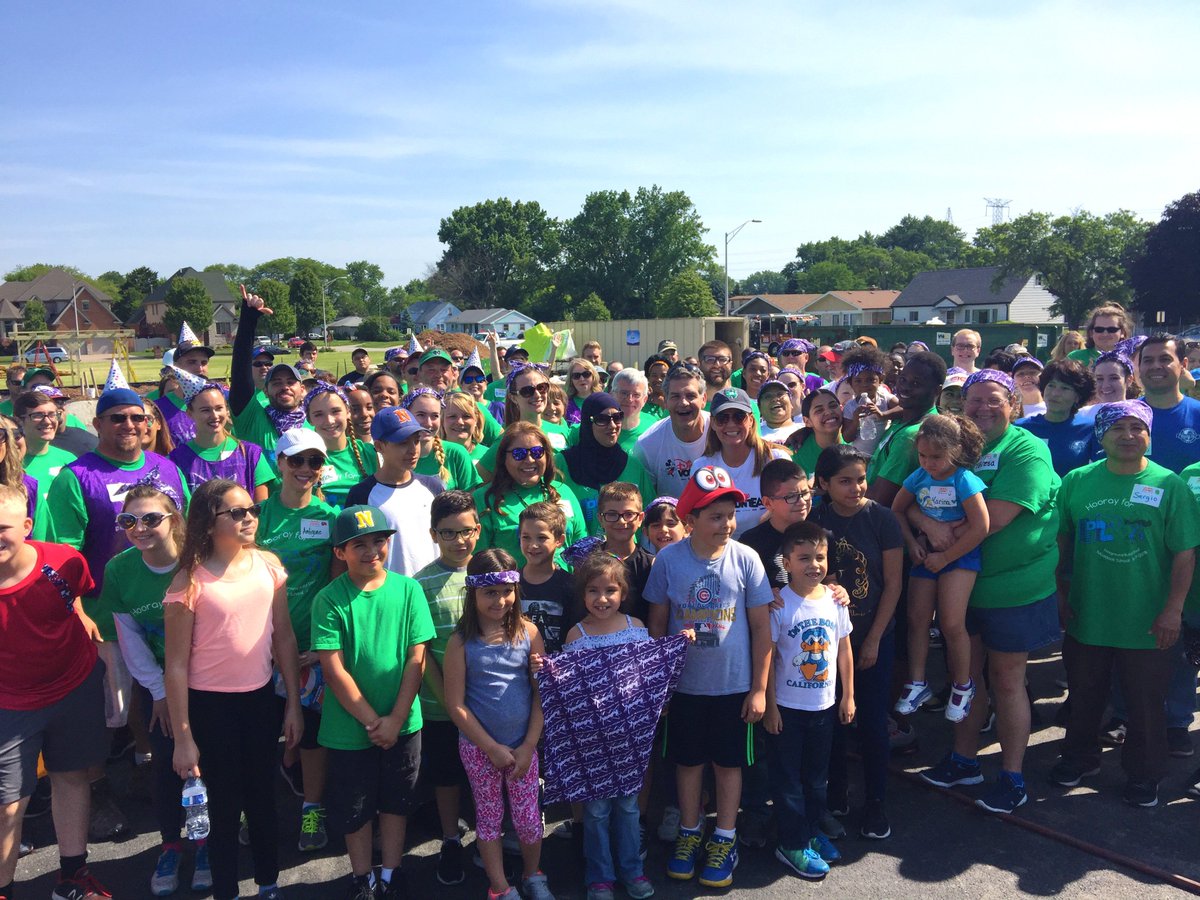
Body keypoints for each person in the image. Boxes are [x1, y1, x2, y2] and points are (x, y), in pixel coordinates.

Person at [913, 370, 1061, 814]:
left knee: (1006, 680)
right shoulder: (957, 445)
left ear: (1013, 403)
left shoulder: (1026, 449)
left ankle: (1012, 777)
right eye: (973, 400)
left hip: (1011, 587)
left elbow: (995, 519)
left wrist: (938, 530)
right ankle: (964, 760)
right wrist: (925, 522)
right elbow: (914, 495)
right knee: (966, 675)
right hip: (961, 587)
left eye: (993, 399)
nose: (981, 407)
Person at [47, 381, 189, 840]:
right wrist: (80, 613)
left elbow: (186, 534)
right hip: (106, 613)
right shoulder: (76, 476)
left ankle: (157, 769)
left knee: (166, 697)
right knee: (109, 711)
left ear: (148, 423)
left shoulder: (166, 466)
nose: (129, 425)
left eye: (136, 417)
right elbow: (64, 555)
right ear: (97, 424)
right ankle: (99, 789)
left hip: (172, 608)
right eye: (117, 418)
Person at [1051, 402, 1199, 807]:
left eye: (1138, 428)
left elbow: (1186, 552)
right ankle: (1080, 759)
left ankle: (1144, 774)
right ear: (1101, 436)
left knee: (1146, 703)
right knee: (1084, 695)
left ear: (1149, 436)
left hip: (1148, 620)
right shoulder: (1078, 481)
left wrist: (1172, 609)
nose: (1129, 435)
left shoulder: (1169, 485)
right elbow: (1062, 542)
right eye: (1118, 428)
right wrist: (1062, 593)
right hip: (1089, 613)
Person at [163, 479, 303, 900]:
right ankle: (226, 890)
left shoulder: (268, 564)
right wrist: (183, 737)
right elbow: (175, 665)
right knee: (222, 807)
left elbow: (285, 638)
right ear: (208, 522)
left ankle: (268, 884)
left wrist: (293, 703)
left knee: (263, 799)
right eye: (238, 512)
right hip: (210, 708)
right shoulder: (187, 582)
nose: (249, 519)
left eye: (252, 511)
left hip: (260, 701)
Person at [644, 465, 772, 890]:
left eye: (730, 515)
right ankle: (689, 831)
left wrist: (758, 689)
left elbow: (760, 629)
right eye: (715, 516)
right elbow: (658, 627)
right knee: (687, 761)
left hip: (734, 687)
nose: (727, 524)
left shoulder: (747, 558)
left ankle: (724, 837)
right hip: (683, 687)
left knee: (728, 764)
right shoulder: (668, 560)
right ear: (690, 520)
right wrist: (658, 686)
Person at [309, 503, 434, 899]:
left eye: (378, 541)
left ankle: (392, 874)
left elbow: (418, 657)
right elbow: (334, 670)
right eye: (357, 544)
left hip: (403, 723)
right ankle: (362, 877)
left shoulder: (409, 588)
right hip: (349, 729)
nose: (371, 551)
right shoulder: (328, 600)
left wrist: (396, 718)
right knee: (355, 808)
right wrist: (373, 722)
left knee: (397, 802)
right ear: (339, 552)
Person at [0, 483, 112, 900]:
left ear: (27, 526)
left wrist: (83, 620)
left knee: (71, 777)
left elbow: (75, 596)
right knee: (9, 804)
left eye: (2, 528)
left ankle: (73, 876)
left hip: (73, 685)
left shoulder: (63, 560)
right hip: (10, 701)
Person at [102, 485, 211, 895]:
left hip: (212, 681)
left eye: (151, 518)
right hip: (161, 685)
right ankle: (171, 844)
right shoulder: (119, 570)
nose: (139, 528)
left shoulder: (199, 560)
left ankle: (205, 843)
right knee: (169, 767)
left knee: (211, 766)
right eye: (129, 521)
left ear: (175, 519)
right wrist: (160, 692)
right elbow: (129, 638)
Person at [443, 550, 555, 900]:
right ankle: (500, 887)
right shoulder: (460, 642)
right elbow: (455, 704)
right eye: (490, 591)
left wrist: (528, 746)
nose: (500, 599)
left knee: (528, 817)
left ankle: (532, 874)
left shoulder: (529, 633)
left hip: (523, 747)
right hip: (480, 750)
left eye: (506, 590)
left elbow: (541, 695)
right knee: (489, 818)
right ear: (472, 593)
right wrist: (490, 748)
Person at [255, 427, 342, 853]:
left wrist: (323, 646)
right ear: (280, 463)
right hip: (258, 649)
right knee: (259, 734)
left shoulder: (330, 519)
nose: (305, 469)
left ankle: (312, 807)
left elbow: (336, 584)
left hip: (310, 646)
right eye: (296, 460)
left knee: (309, 735)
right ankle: (253, 812)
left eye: (314, 461)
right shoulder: (255, 516)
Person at [811, 445, 904, 840]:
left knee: (871, 723)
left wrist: (874, 641)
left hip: (872, 636)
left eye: (861, 479)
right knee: (829, 721)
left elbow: (894, 584)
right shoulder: (815, 518)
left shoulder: (882, 519)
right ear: (824, 484)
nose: (856, 487)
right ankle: (836, 792)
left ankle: (877, 802)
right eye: (844, 481)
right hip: (823, 643)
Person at [764, 521, 854, 881]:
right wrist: (769, 706)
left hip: (825, 707)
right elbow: (768, 658)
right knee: (788, 782)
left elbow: (844, 650)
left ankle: (811, 831)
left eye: (819, 557)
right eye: (804, 558)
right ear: (786, 561)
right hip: (786, 708)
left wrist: (848, 696)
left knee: (817, 781)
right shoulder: (779, 604)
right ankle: (791, 843)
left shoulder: (835, 599)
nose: (813, 565)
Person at [563, 554, 656, 900]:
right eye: (593, 591)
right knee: (597, 810)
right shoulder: (577, 634)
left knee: (629, 807)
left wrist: (682, 643)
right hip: (592, 743)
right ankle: (599, 876)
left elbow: (650, 677)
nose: (602, 599)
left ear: (623, 592)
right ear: (582, 594)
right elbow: (569, 685)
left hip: (629, 741)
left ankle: (632, 870)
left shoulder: (636, 628)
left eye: (610, 590)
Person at [892, 415, 990, 723]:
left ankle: (963, 685)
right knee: (917, 619)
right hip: (926, 556)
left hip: (959, 559)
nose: (929, 463)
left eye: (936, 456)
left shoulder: (964, 480)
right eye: (923, 455)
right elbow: (897, 509)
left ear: (956, 450)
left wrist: (946, 558)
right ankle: (917, 682)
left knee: (950, 623)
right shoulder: (918, 477)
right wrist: (912, 543)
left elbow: (981, 526)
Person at [413, 491, 480, 887]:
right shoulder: (420, 584)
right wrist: (450, 704)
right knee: (446, 774)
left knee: (489, 773)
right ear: (434, 534)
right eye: (449, 533)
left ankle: (495, 837)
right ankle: (451, 840)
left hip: (489, 703)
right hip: (440, 707)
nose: (460, 541)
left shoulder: (495, 573)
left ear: (478, 528)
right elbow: (421, 654)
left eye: (467, 531)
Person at [346, 407, 444, 576]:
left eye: (416, 440)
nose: (413, 449)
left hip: (433, 590)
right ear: (379, 446)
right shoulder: (361, 494)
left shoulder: (433, 486)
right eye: (402, 443)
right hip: (389, 595)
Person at [474, 423, 585, 567]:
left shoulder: (564, 492)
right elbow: (479, 561)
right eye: (518, 454)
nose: (530, 460)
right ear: (503, 458)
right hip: (512, 588)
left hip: (565, 586)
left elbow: (582, 548)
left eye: (537, 452)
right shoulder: (484, 498)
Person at [694, 388, 789, 538]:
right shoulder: (702, 468)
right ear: (712, 423)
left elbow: (792, 505)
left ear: (751, 421)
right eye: (722, 418)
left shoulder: (776, 459)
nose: (731, 424)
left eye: (739, 417)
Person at [557, 393, 655, 536]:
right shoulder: (562, 463)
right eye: (602, 419)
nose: (613, 426)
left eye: (617, 417)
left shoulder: (632, 465)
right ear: (587, 422)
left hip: (624, 554)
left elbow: (649, 514)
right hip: (575, 555)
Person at [169, 376, 273, 502]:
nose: (214, 416)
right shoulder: (176, 460)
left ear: (227, 409)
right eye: (205, 410)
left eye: (219, 408)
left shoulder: (251, 454)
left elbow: (261, 508)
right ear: (190, 413)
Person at [865, 352, 947, 506]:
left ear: (937, 391)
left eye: (916, 384)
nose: (905, 388)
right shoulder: (906, 418)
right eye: (902, 379)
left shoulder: (910, 436)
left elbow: (879, 498)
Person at [634, 363, 711, 498]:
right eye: (675, 396)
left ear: (703, 399)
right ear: (666, 400)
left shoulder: (720, 431)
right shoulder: (647, 444)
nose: (683, 403)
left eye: (690, 396)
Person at [1015, 360, 1100, 478]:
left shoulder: (1092, 429)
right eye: (1051, 385)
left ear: (1078, 396)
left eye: (1065, 388)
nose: (1055, 393)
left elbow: (1100, 470)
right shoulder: (1020, 428)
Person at [739, 459, 813, 591]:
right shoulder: (750, 544)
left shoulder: (820, 535)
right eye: (791, 496)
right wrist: (763, 596)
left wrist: (836, 590)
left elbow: (830, 580)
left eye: (805, 493)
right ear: (768, 503)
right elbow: (742, 591)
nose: (802, 501)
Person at [302, 382, 376, 508]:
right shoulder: (301, 459)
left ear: (348, 412)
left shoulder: (369, 453)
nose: (329, 421)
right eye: (319, 414)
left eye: (335, 411)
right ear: (309, 419)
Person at [517, 503, 574, 653]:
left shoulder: (570, 585)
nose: (533, 545)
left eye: (541, 538)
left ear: (559, 540)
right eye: (526, 537)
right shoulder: (510, 583)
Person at [404, 389, 481, 493]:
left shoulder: (456, 453)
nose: (429, 423)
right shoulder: (394, 455)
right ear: (406, 415)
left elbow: (471, 501)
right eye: (421, 415)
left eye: (435, 416)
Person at [14, 389, 75, 516]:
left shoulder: (69, 460)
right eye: (38, 415)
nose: (47, 421)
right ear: (19, 421)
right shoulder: (9, 463)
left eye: (52, 414)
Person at [839, 347, 895, 457]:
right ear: (851, 384)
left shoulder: (884, 398)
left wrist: (883, 415)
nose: (864, 385)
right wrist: (856, 421)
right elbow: (847, 437)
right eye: (858, 381)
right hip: (861, 457)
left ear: (880, 380)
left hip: (882, 457)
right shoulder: (850, 407)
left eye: (870, 380)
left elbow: (903, 409)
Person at [786, 389, 845, 486]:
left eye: (833, 406)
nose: (828, 412)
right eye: (819, 410)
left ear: (842, 409)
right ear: (807, 421)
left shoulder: (857, 442)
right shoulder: (795, 455)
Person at [1069, 303, 1132, 368]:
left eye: (1112, 329)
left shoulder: (1131, 359)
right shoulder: (1075, 357)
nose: (1105, 334)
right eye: (1099, 329)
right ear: (1091, 333)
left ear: (1122, 333)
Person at [610, 369, 655, 449]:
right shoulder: (600, 427)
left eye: (636, 395)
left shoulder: (654, 427)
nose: (629, 399)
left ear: (644, 400)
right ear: (612, 395)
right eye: (624, 393)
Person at [442, 390, 490, 462]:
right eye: (452, 416)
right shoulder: (430, 455)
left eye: (466, 416)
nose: (460, 422)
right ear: (441, 421)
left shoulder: (488, 455)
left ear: (476, 420)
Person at [565, 359, 601, 425]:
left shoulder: (603, 401)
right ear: (571, 380)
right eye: (576, 376)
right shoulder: (565, 404)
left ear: (594, 376)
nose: (582, 379)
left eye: (586, 374)